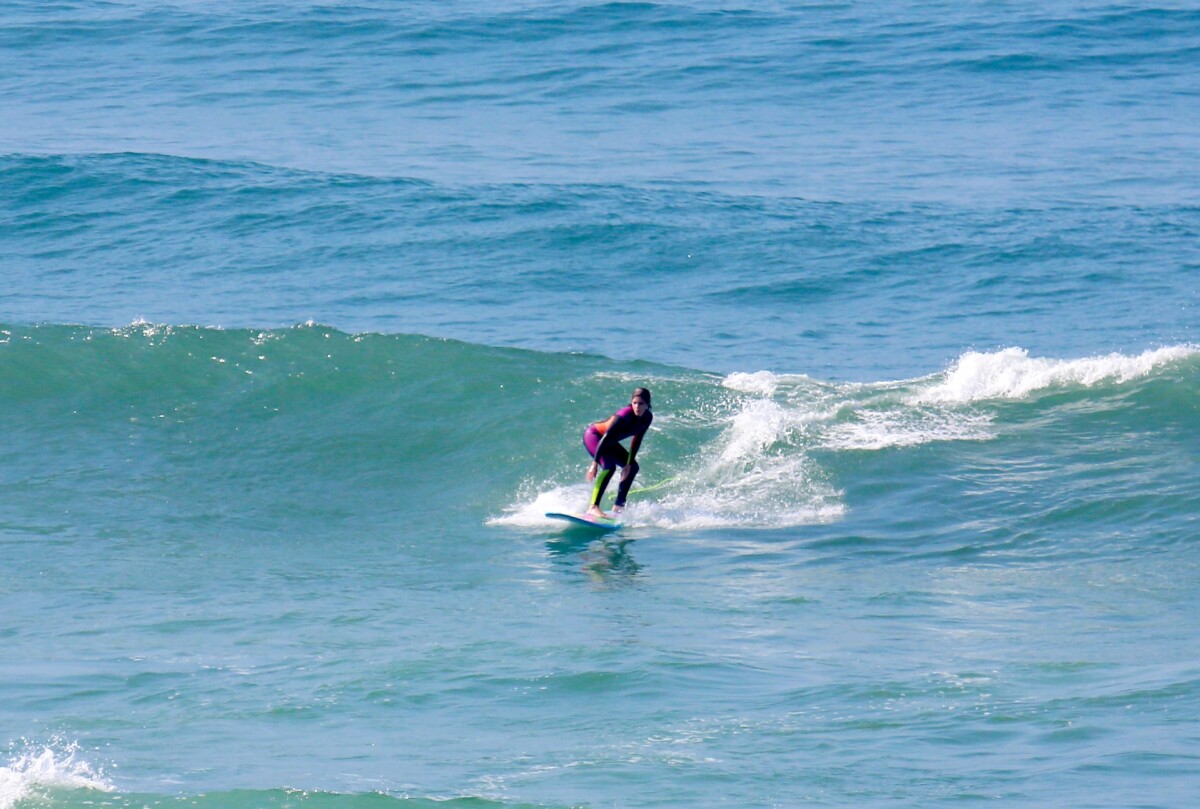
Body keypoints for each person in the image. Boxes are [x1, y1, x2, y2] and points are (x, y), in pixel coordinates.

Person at [583, 387, 653, 518]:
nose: (637, 406)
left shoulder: (647, 418)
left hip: (610, 441)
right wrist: (595, 463)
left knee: (633, 468)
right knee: (609, 467)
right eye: (634, 403)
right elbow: (605, 438)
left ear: (647, 404)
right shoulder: (624, 415)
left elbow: (637, 440)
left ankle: (619, 506)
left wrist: (628, 464)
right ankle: (593, 507)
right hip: (595, 436)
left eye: (641, 403)